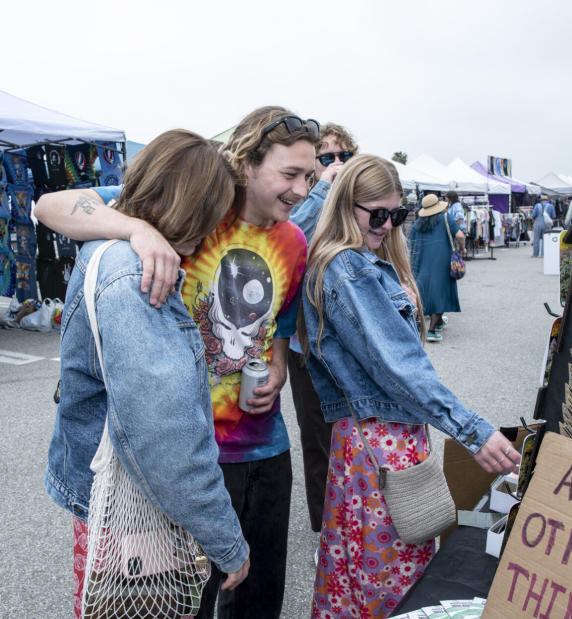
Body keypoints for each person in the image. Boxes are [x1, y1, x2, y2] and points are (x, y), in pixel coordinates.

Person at [35, 106, 318, 619]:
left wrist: (277, 367)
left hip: (262, 445)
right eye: (290, 174)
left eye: (312, 177)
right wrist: (134, 231)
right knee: (185, 596)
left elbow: (282, 320)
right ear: (247, 165)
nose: (302, 190)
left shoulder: (293, 241)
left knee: (257, 596)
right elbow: (50, 205)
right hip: (190, 458)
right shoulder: (194, 204)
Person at [299, 154, 520, 619]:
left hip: (378, 439)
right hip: (379, 441)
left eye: (395, 215)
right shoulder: (347, 268)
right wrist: (473, 431)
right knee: (388, 577)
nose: (386, 225)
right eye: (375, 214)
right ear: (345, 206)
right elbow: (399, 367)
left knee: (363, 570)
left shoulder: (359, 262)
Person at [287, 123, 359, 539]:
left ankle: (360, 526)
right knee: (318, 442)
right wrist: (320, 191)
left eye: (342, 157)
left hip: (350, 338)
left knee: (359, 434)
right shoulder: (301, 199)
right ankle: (327, 535)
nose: (335, 164)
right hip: (306, 342)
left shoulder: (358, 200)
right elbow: (289, 237)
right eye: (326, 157)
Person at [409, 193, 466, 342]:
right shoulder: (446, 218)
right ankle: (432, 331)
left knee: (424, 290)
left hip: (420, 260)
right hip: (442, 260)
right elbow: (460, 236)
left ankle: (438, 322)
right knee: (441, 291)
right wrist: (462, 249)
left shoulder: (418, 223)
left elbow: (410, 243)